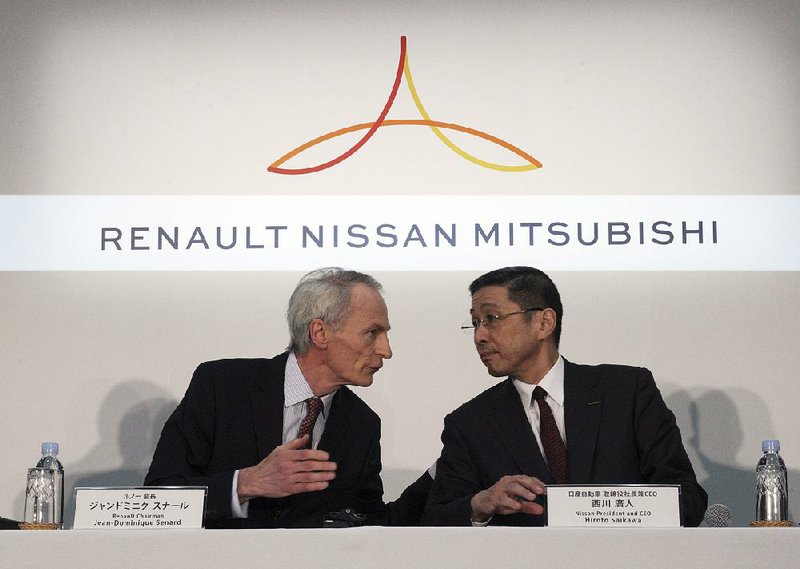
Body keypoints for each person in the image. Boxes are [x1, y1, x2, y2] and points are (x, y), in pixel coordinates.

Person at [422, 266, 707, 527]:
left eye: (492, 319)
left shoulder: (627, 391)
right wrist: (479, 505)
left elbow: (686, 499)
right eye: (475, 322)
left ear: (544, 323)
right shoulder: (470, 423)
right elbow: (436, 519)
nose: (479, 336)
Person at [145, 267, 430, 528]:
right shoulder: (221, 386)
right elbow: (158, 500)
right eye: (372, 333)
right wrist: (246, 483)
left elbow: (370, 522)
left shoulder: (362, 423)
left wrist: (442, 475)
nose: (386, 350)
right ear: (320, 332)